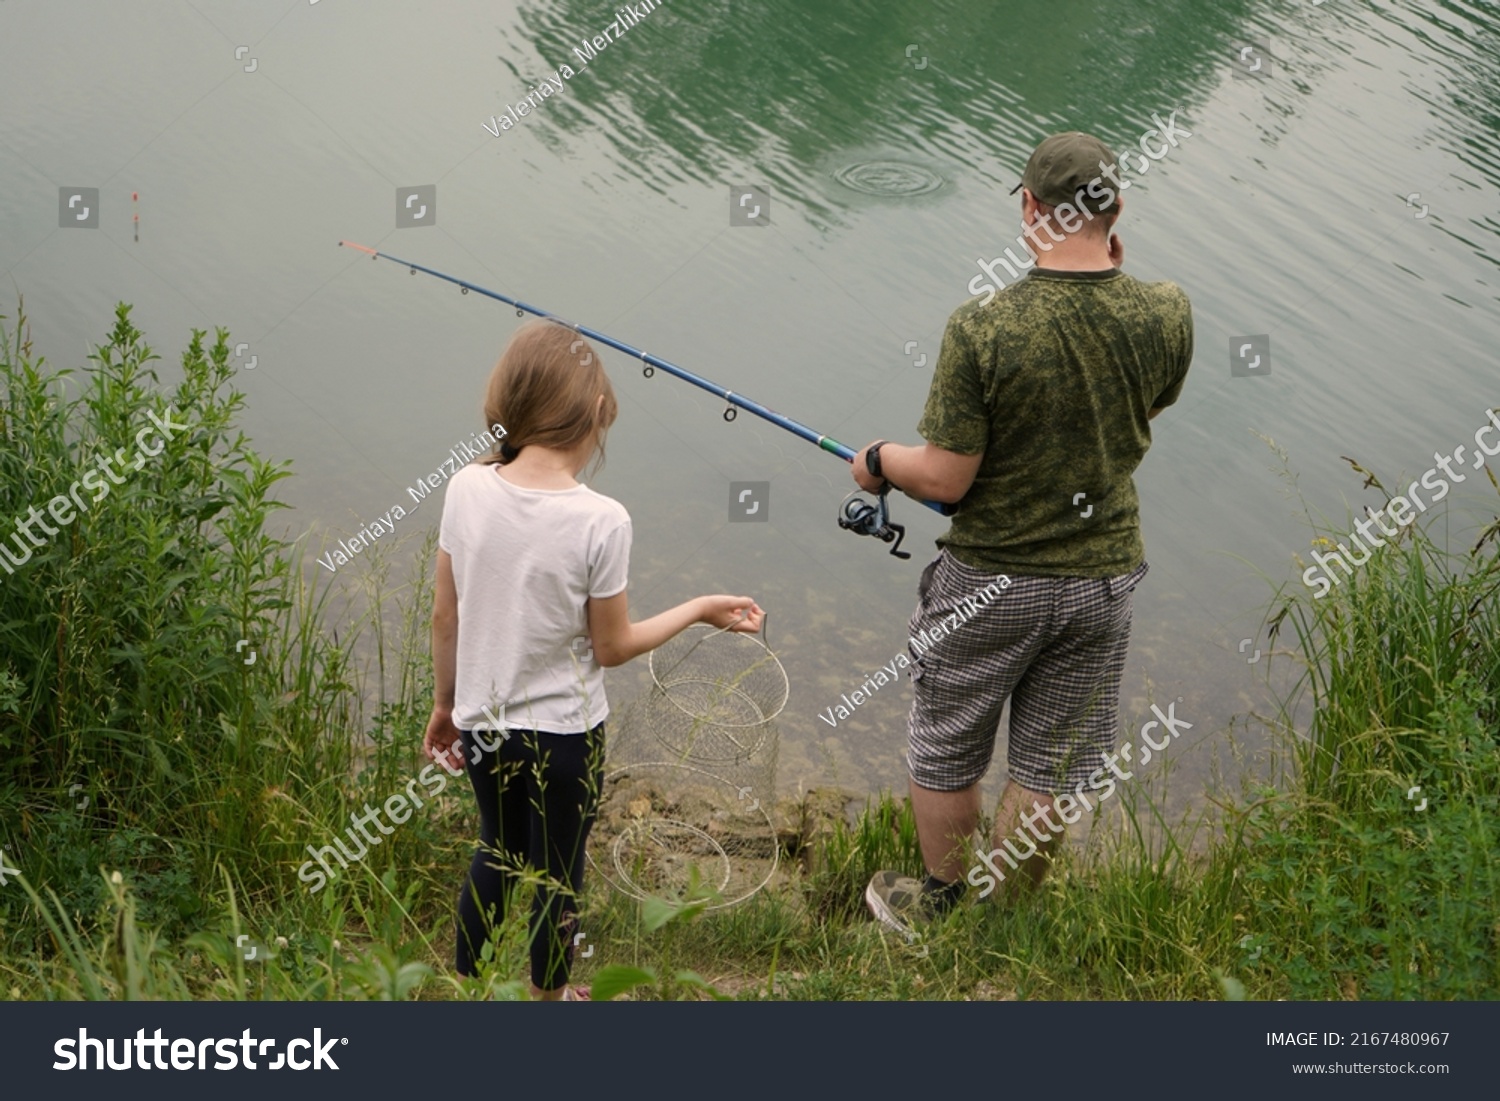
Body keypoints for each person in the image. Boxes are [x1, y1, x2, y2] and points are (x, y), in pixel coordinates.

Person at [855, 131, 1193, 937]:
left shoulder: (984, 327)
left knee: (946, 745)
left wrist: (876, 460)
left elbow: (945, 477)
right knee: (1048, 764)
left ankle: (938, 908)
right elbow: (1138, 413)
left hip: (991, 582)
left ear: (1033, 209)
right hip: (1102, 580)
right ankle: (1007, 924)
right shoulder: (1167, 310)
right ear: (1115, 209)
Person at [422, 319, 765, 999]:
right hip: (569, 737)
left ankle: (469, 991)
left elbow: (445, 613)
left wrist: (444, 705)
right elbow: (611, 647)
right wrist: (699, 606)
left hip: (484, 722)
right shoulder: (601, 519)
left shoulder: (466, 487)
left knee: (496, 849)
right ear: (597, 414)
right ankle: (549, 1001)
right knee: (557, 868)